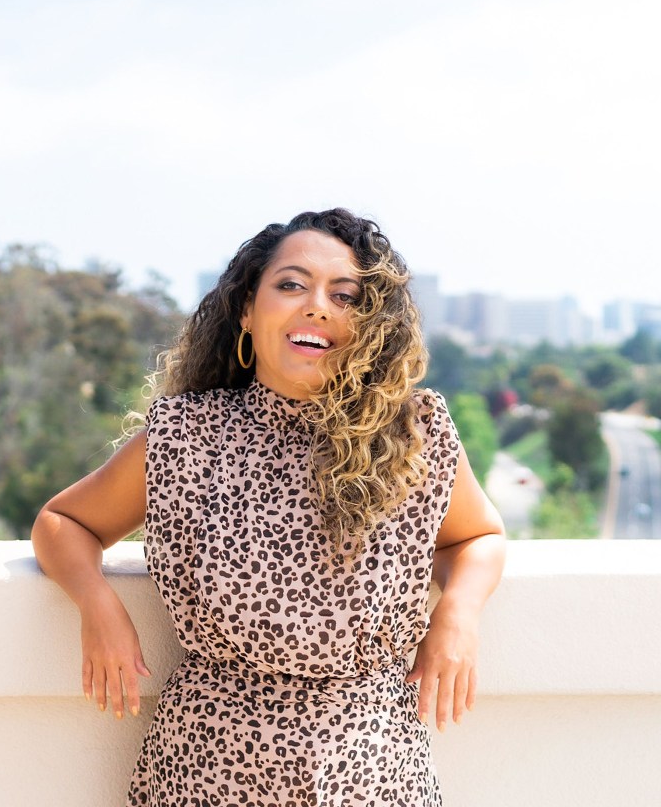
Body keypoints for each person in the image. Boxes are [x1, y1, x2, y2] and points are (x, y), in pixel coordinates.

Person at [32, 208, 506, 806]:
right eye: (291, 284)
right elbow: (63, 522)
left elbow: (478, 536)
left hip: (373, 775)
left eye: (346, 294)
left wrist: (458, 614)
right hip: (205, 772)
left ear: (369, 326)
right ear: (247, 312)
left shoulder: (415, 433)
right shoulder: (186, 435)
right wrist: (98, 607)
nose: (318, 305)